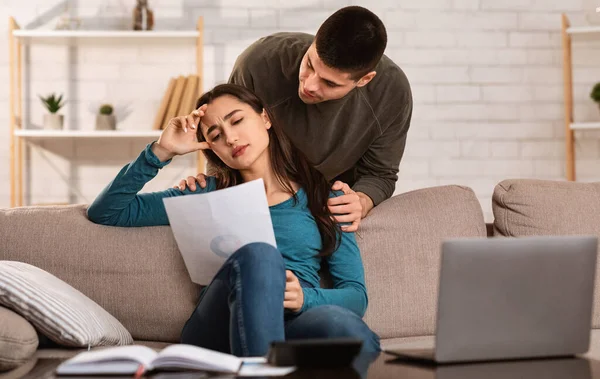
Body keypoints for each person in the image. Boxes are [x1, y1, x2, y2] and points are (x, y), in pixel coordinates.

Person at [86, 84, 380, 357]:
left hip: (293, 320)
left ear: (264, 117)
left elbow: (356, 296)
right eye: (214, 135)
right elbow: (107, 211)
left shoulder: (324, 197)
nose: (230, 138)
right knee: (261, 254)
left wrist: (306, 299)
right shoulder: (202, 194)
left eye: (236, 121)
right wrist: (160, 152)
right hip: (220, 322)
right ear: (211, 149)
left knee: (352, 333)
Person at [176, 6, 413, 232]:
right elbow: (223, 141)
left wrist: (361, 201)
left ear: (364, 80)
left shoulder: (392, 93)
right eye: (310, 64)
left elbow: (379, 174)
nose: (309, 84)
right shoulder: (259, 63)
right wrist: (212, 188)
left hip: (326, 211)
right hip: (257, 200)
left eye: (329, 83)